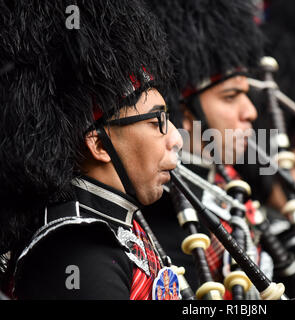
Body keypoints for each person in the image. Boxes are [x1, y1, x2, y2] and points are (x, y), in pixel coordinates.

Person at [0, 0, 183, 300]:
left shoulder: (114, 226)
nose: (176, 138)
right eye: (155, 122)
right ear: (98, 144)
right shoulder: (78, 251)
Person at [142, 0, 267, 299]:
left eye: (245, 95)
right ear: (185, 112)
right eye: (230, 96)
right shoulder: (163, 206)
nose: (250, 111)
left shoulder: (222, 181)